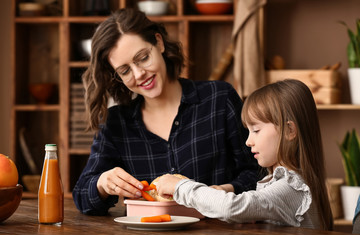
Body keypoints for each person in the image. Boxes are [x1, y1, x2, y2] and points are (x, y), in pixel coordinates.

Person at [72, 8, 260, 215]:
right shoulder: (116, 123)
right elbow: (81, 195)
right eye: (125, 71)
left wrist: (221, 193)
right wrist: (102, 183)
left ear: (159, 43)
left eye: (143, 58)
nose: (139, 74)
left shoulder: (219, 99)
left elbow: (258, 172)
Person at [156, 79, 333, 230]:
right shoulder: (282, 183)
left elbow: (231, 207)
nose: (248, 141)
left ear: (289, 130)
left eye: (256, 130)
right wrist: (225, 189)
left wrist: (180, 186)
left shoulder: (292, 188)